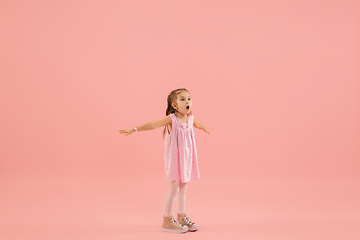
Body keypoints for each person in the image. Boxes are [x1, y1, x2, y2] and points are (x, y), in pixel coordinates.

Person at [119, 88, 210, 233]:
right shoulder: (172, 119)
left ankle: (181, 216)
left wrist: (204, 126)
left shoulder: (190, 118)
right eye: (182, 99)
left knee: (183, 190)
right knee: (173, 190)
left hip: (186, 160)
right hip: (174, 162)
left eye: (189, 98)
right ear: (174, 105)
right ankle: (167, 219)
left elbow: (197, 124)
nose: (187, 101)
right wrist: (134, 129)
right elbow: (153, 124)